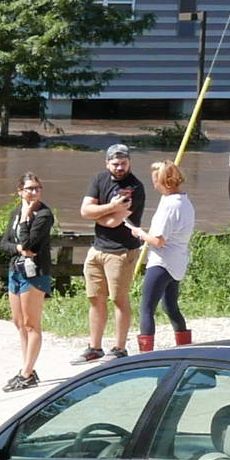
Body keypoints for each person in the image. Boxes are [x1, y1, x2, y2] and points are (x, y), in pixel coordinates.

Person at [79, 143, 145, 361]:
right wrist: (111, 206)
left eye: (123, 163)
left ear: (129, 162)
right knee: (95, 298)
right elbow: (84, 210)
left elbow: (112, 222)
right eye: (115, 164)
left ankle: (119, 348)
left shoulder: (134, 187)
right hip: (97, 249)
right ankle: (94, 347)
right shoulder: (99, 179)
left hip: (121, 251)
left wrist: (100, 212)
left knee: (119, 299)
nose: (119, 167)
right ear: (107, 163)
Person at [0, 174, 56, 390]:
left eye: (37, 188)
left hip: (35, 273)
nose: (34, 192)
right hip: (16, 270)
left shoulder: (44, 215)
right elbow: (4, 243)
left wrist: (25, 218)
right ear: (20, 191)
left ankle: (27, 373)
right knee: (19, 322)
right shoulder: (15, 212)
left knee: (32, 324)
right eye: (30, 188)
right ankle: (26, 367)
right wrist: (18, 249)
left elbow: (30, 243)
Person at [138, 160, 197, 351]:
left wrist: (139, 234)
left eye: (156, 180)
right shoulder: (185, 201)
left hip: (162, 262)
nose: (154, 184)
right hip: (178, 260)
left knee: (147, 308)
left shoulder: (170, 206)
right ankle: (185, 347)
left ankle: (145, 355)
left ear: (164, 181)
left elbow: (158, 240)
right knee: (170, 307)